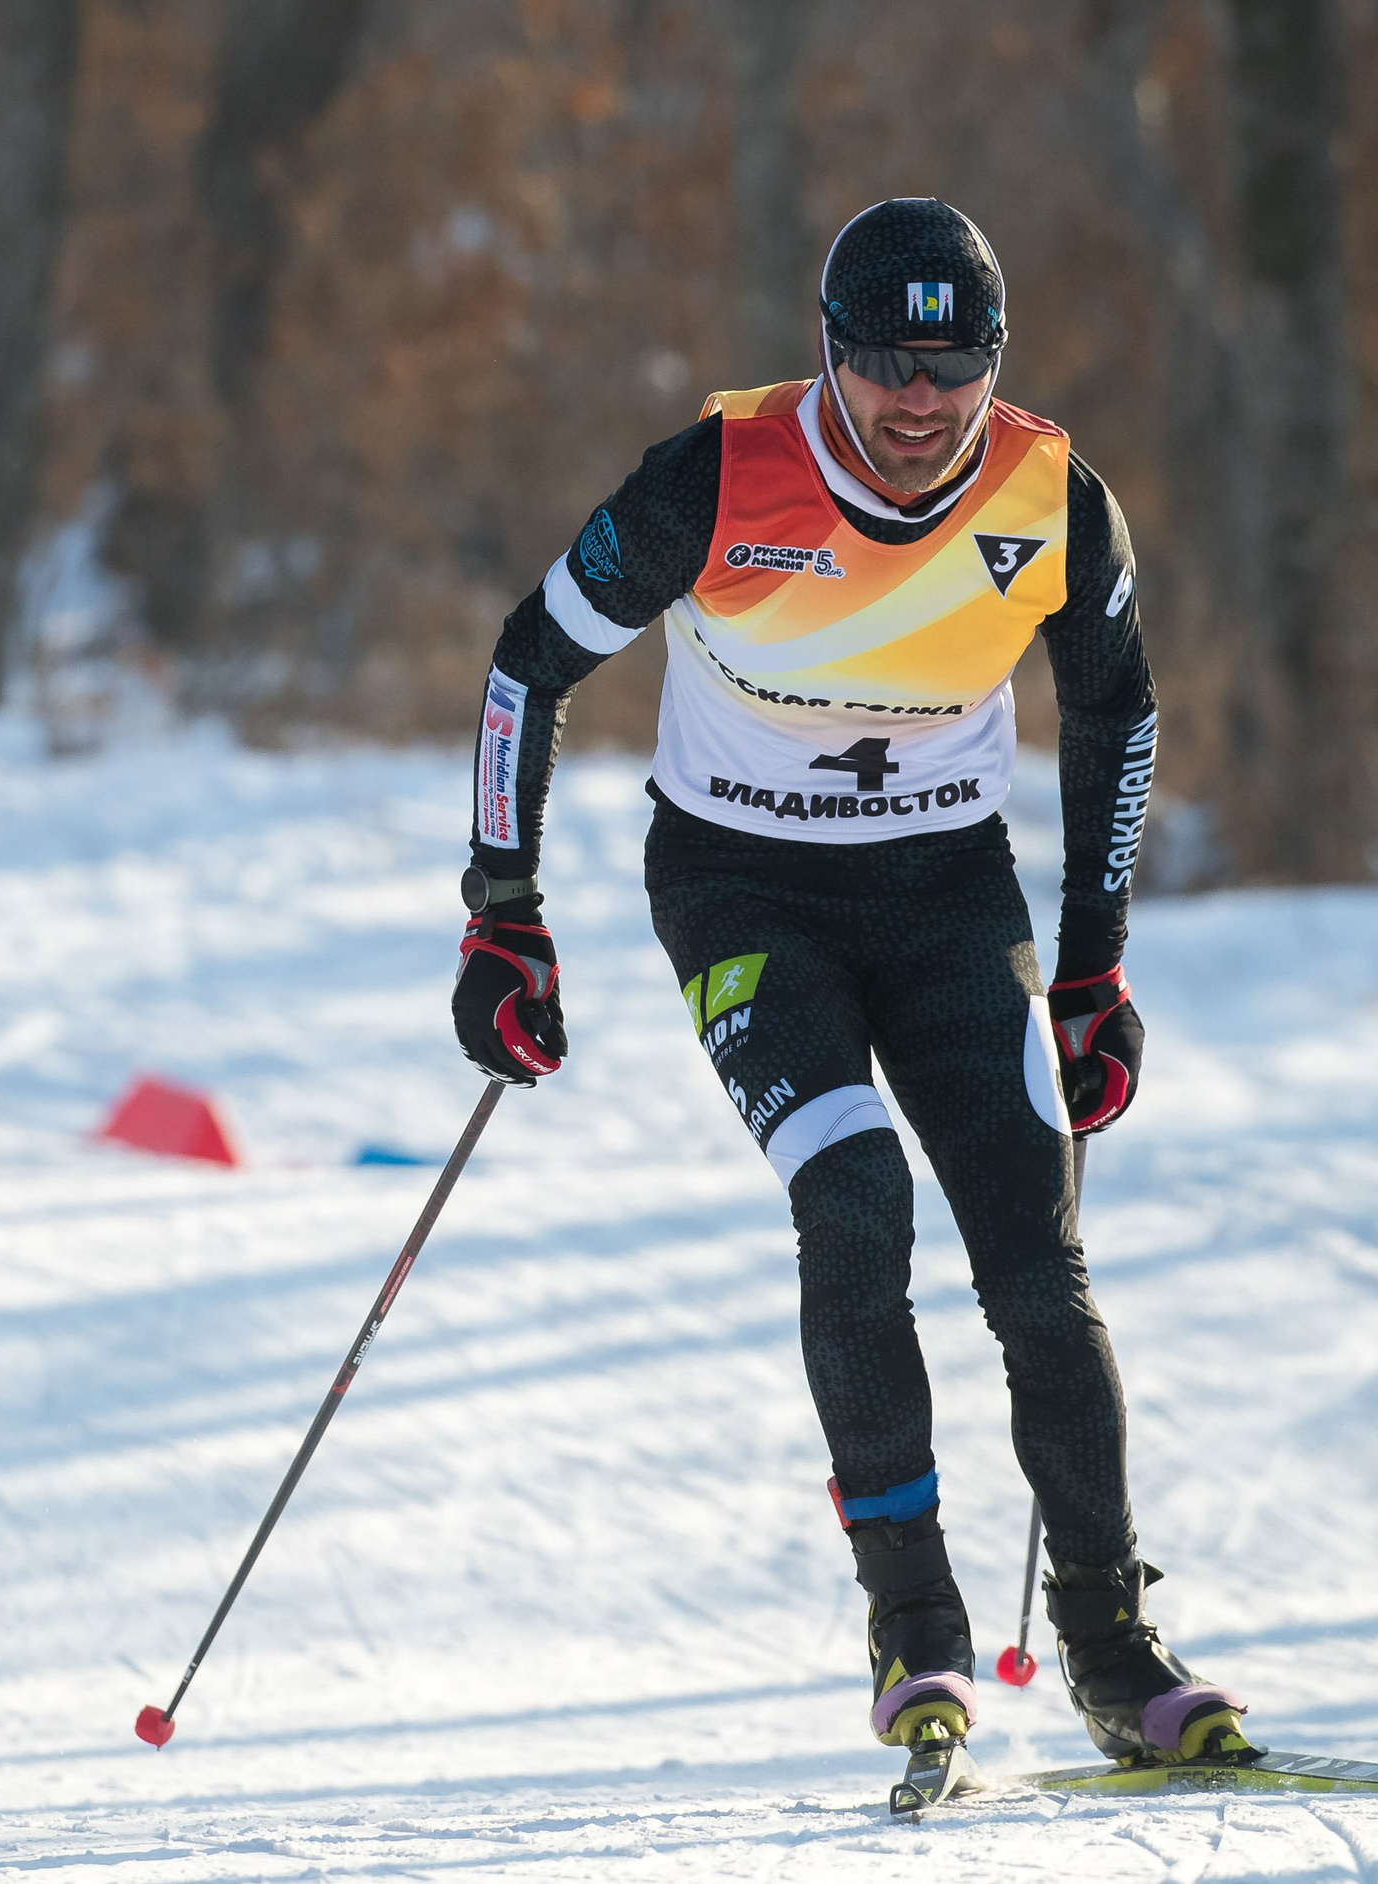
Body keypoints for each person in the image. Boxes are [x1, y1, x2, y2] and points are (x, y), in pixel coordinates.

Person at [448, 198, 1247, 1768]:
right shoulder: (718, 483)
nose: (916, 402)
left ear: (992, 368)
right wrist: (505, 917)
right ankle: (917, 1631)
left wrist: (1092, 969)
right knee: (857, 1198)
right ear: (831, 352)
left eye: (951, 369)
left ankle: (1109, 1643)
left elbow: (1119, 719)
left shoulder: (1051, 499)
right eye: (884, 363)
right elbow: (524, 665)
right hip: (743, 890)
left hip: (947, 893)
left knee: (1035, 1257)